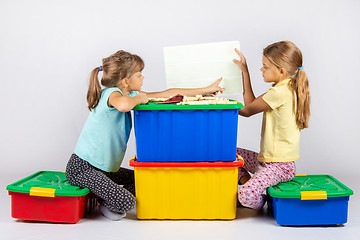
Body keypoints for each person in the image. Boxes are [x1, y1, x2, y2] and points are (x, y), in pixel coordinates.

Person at [65, 50, 224, 220]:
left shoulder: (130, 94)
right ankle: (109, 202)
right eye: (139, 75)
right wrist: (138, 99)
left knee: (143, 181)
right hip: (82, 167)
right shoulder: (111, 94)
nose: (143, 79)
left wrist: (207, 90)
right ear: (125, 81)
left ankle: (107, 195)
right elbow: (124, 106)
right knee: (127, 202)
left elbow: (167, 93)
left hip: (104, 169)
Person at [233, 41, 310, 210]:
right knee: (230, 154)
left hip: (279, 166)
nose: (261, 70)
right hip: (268, 162)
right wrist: (244, 70)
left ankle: (261, 202)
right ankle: (255, 185)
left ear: (281, 71)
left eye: (265, 67)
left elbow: (247, 110)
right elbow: (251, 104)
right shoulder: (288, 86)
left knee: (245, 195)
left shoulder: (279, 92)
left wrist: (223, 105)